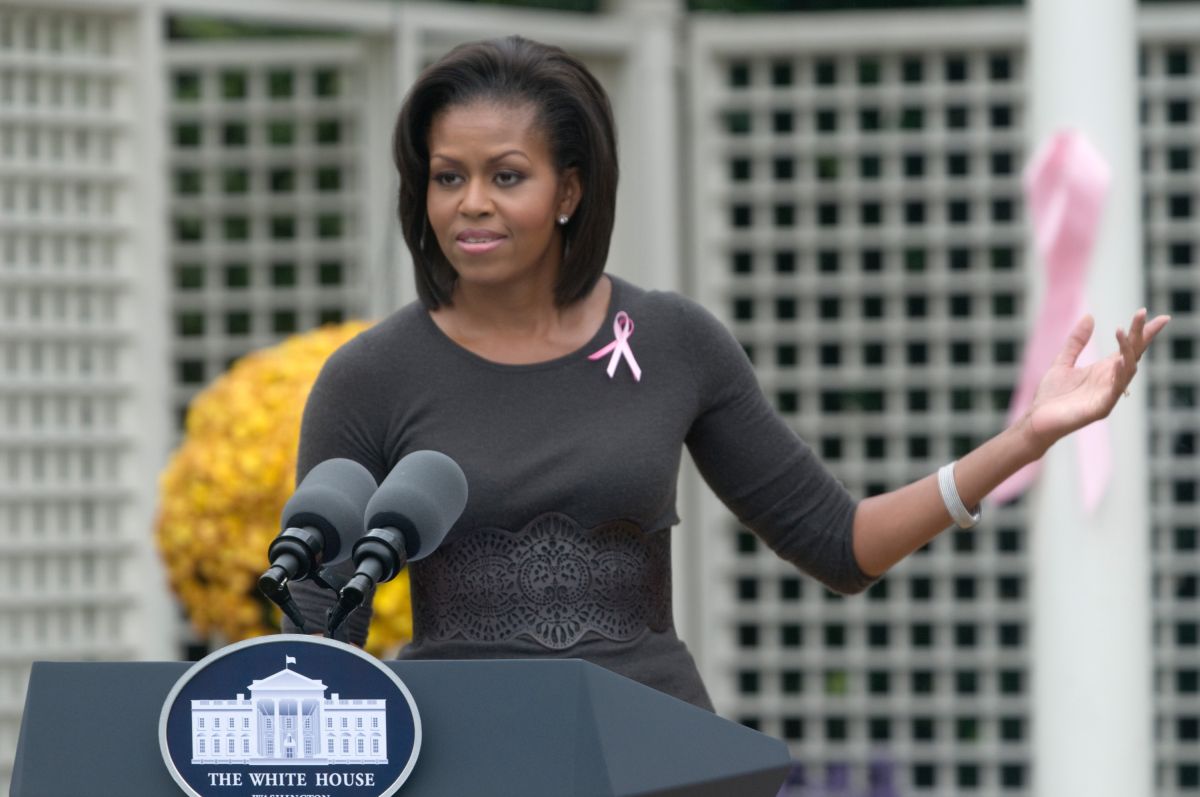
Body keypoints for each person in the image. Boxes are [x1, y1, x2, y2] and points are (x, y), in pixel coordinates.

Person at [284, 35, 1169, 711]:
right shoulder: (369, 377)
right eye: (447, 177)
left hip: (654, 746)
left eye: (505, 175)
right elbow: (324, 645)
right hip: (460, 751)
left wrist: (1024, 439)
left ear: (569, 192)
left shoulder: (672, 340)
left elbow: (839, 543)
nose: (470, 203)